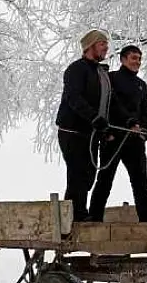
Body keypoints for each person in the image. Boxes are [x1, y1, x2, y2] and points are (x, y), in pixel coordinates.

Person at [88, 44, 147, 222]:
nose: (138, 62)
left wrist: (144, 133)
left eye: (140, 59)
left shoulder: (142, 85)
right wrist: (107, 133)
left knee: (141, 181)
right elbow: (109, 105)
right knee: (105, 179)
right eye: (134, 58)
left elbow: (144, 112)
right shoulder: (111, 79)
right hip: (113, 137)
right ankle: (94, 217)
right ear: (123, 59)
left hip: (135, 140)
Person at [55, 29, 112, 221]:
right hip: (72, 131)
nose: (106, 47)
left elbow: (105, 102)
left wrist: (105, 127)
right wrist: (93, 117)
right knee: (78, 174)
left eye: (106, 43)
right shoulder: (76, 69)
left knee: (88, 175)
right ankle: (76, 216)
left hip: (90, 132)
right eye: (102, 43)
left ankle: (75, 214)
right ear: (90, 46)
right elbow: (74, 98)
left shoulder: (99, 72)